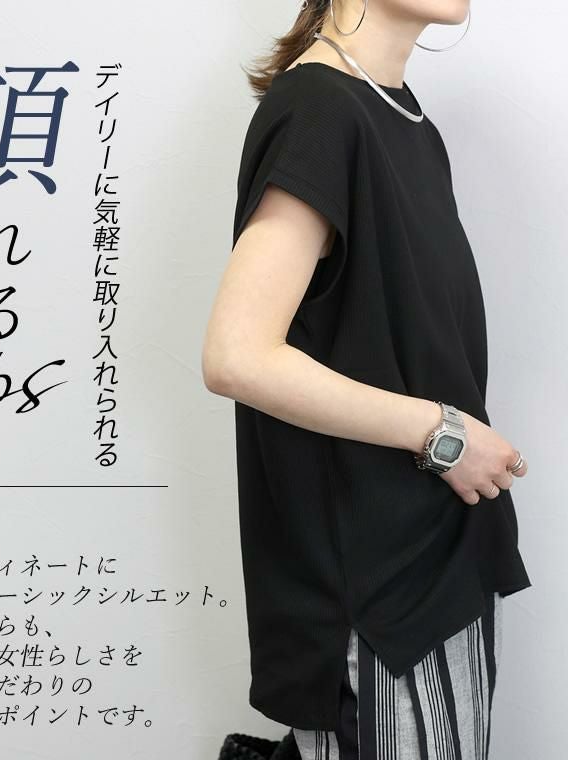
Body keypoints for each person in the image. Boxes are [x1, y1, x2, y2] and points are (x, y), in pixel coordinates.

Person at [201, 1, 532, 758]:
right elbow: (236, 354)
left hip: (438, 567)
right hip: (375, 607)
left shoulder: (404, 120)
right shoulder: (319, 109)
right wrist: (446, 436)